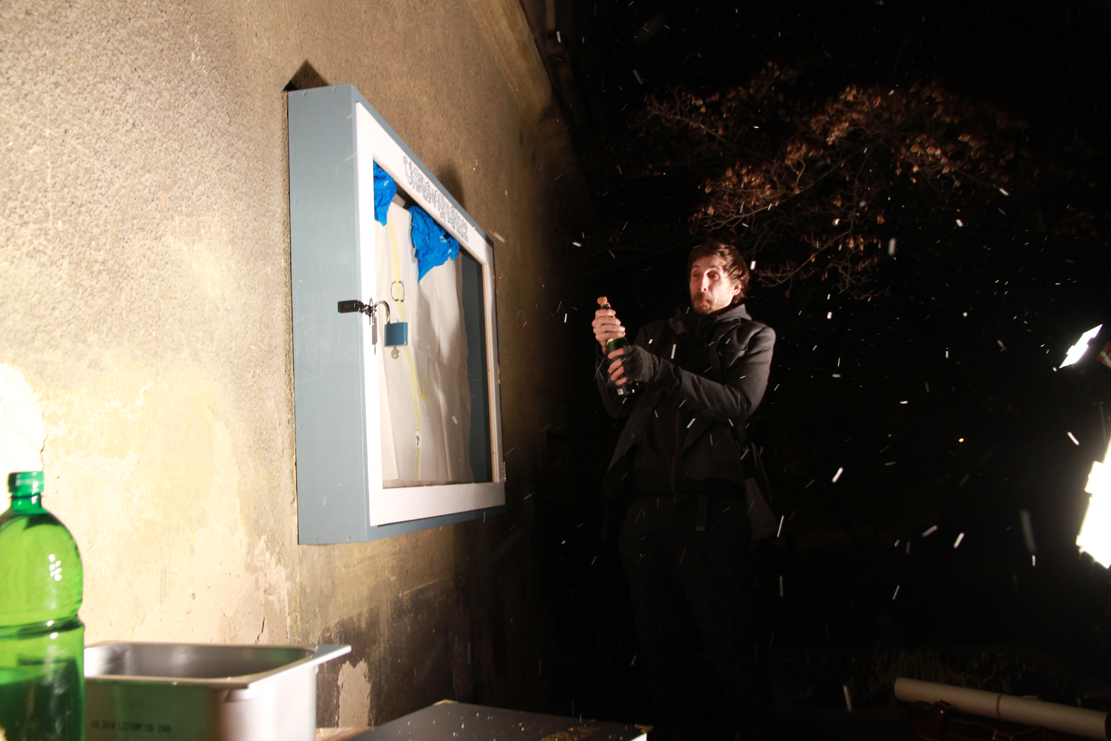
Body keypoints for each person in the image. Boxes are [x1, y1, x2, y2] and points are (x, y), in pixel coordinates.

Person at [592, 240, 776, 741]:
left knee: (729, 643)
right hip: (646, 512)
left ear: (737, 284)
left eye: (713, 275)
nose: (701, 283)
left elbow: (738, 403)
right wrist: (609, 352)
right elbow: (618, 403)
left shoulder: (754, 336)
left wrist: (661, 371)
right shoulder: (656, 334)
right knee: (658, 650)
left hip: (711, 512)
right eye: (695, 273)